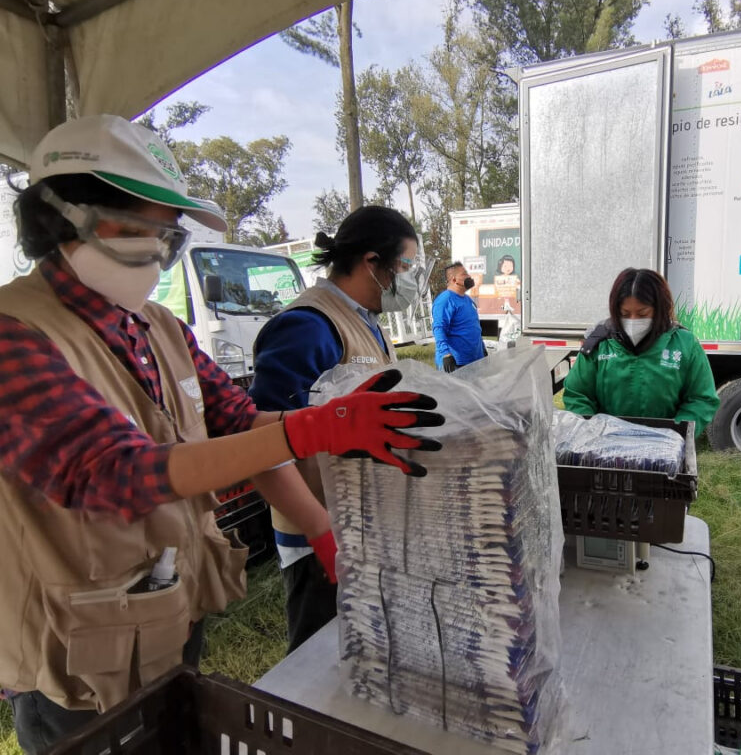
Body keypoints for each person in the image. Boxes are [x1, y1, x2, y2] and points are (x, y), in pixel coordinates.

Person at [0, 115, 443, 754]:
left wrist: (320, 521)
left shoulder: (160, 329)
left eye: (166, 239)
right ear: (60, 218)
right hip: (77, 652)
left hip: (168, 614)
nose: (155, 256)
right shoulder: (17, 334)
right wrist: (310, 427)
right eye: (137, 232)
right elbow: (115, 473)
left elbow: (242, 426)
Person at [249, 205, 423, 654]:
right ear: (372, 263)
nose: (411, 280)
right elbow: (263, 443)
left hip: (360, 525)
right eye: (407, 266)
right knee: (318, 659)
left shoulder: (366, 320)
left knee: (360, 653)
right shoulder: (307, 326)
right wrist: (320, 530)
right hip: (319, 536)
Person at [563, 267, 719, 434]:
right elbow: (577, 393)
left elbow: (701, 399)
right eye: (624, 314)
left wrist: (676, 433)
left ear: (659, 309)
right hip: (606, 446)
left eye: (643, 314)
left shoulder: (685, 344)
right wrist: (592, 431)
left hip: (665, 447)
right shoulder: (599, 344)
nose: (633, 321)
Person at [433, 261, 486, 373]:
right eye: (464, 274)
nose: (469, 276)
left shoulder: (468, 300)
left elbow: (474, 327)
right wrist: (445, 354)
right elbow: (439, 328)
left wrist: (483, 349)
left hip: (474, 361)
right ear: (454, 280)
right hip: (455, 364)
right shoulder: (445, 300)